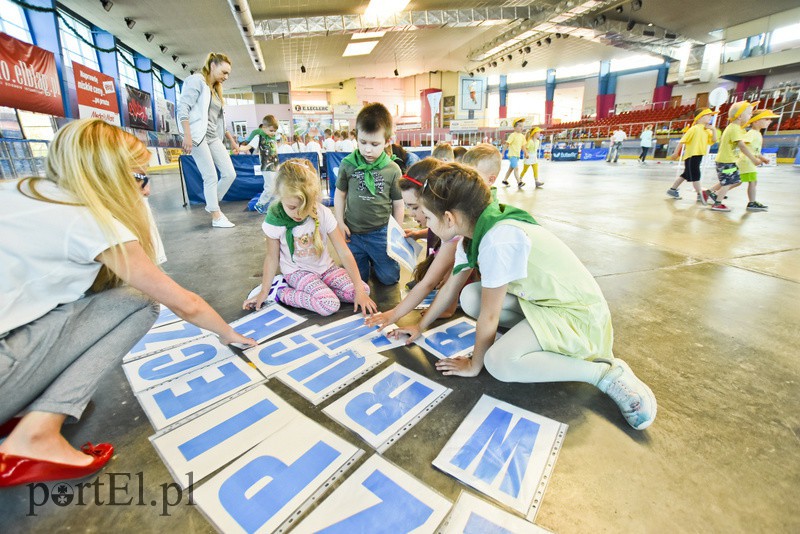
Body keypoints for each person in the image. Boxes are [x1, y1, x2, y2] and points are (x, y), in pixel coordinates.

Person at [0, 119, 256, 488]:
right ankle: (37, 434)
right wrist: (229, 334)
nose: (147, 189)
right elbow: (184, 303)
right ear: (108, 176)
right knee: (139, 301)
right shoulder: (89, 221)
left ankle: (28, 405)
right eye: (139, 177)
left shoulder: (24, 189)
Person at [389, 163, 657, 430]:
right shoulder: (476, 232)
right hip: (542, 303)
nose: (423, 222)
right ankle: (537, 343)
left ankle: (603, 373)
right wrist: (420, 325)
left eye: (426, 216)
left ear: (449, 218)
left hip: (577, 314)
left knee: (498, 362)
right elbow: (450, 289)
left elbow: (490, 315)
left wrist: (474, 364)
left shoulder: (497, 239)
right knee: (470, 296)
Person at [244, 160, 376, 317]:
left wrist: (359, 291)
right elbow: (272, 257)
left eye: (305, 207)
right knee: (329, 305)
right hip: (298, 272)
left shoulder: (323, 213)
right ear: (280, 196)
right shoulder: (275, 220)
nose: (299, 213)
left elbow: (344, 252)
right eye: (292, 207)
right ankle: (281, 292)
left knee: (364, 289)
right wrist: (264, 291)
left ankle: (322, 290)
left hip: (326, 269)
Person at [366, 158, 465, 327]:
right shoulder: (446, 224)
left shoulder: (453, 235)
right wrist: (419, 233)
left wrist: (395, 314)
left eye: (415, 207)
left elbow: (434, 282)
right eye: (408, 207)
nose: (411, 214)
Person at [334, 103, 404, 285]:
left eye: (375, 144)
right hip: (353, 233)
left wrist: (396, 233)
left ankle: (376, 262)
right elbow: (340, 194)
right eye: (362, 142)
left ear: (387, 141)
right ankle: (365, 261)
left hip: (380, 233)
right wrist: (340, 222)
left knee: (390, 279)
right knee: (358, 280)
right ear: (356, 136)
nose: (367, 150)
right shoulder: (348, 164)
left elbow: (398, 203)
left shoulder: (392, 169)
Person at [177, 52, 239, 228]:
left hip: (213, 137)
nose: (226, 77)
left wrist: (232, 141)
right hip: (197, 135)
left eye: (228, 74)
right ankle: (216, 216)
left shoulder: (216, 90)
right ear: (212, 66)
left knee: (229, 174)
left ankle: (212, 204)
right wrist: (187, 135)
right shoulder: (197, 81)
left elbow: (217, 121)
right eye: (224, 72)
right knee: (210, 176)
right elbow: (183, 108)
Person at [705, 101, 763, 212]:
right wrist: (753, 159)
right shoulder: (734, 128)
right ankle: (717, 203)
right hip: (726, 162)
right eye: (749, 113)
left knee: (736, 180)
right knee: (728, 182)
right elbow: (742, 146)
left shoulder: (737, 128)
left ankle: (708, 192)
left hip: (729, 161)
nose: (751, 116)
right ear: (740, 116)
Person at [666, 109, 719, 203]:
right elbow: (682, 141)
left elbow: (714, 140)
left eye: (710, 115)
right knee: (696, 175)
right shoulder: (694, 129)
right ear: (700, 118)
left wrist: (713, 129)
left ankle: (672, 190)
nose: (710, 117)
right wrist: (676, 153)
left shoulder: (707, 130)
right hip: (691, 155)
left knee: (685, 174)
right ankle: (700, 195)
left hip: (698, 155)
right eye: (708, 115)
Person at [735, 109, 777, 211]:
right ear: (756, 121)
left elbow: (754, 150)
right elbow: (742, 145)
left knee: (739, 181)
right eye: (767, 119)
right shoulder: (752, 133)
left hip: (748, 162)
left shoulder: (757, 133)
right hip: (747, 162)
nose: (770, 121)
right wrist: (754, 159)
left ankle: (715, 192)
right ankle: (752, 202)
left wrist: (762, 158)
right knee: (744, 181)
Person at [242, 115, 280, 214]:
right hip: (266, 167)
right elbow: (248, 147)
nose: (273, 133)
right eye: (271, 131)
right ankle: (260, 204)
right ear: (264, 127)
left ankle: (275, 205)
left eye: (275, 131)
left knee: (277, 186)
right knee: (269, 188)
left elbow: (275, 152)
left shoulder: (273, 138)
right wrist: (239, 148)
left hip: (275, 166)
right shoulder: (259, 137)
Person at [501, 118, 526, 187]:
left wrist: (526, 153)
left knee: (510, 169)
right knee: (516, 168)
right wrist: (502, 153)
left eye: (522, 126)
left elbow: (523, 146)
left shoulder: (522, 136)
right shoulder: (513, 135)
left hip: (517, 156)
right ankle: (519, 182)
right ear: (515, 127)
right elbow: (507, 144)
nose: (521, 127)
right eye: (520, 126)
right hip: (512, 155)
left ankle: (504, 180)